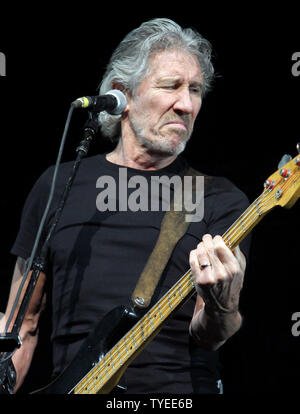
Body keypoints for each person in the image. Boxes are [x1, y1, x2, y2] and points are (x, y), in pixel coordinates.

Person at [0, 18, 250, 394]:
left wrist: (222, 305)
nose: (186, 104)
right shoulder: (58, 185)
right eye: (171, 86)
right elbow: (23, 324)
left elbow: (211, 335)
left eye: (195, 90)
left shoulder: (218, 198)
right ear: (122, 94)